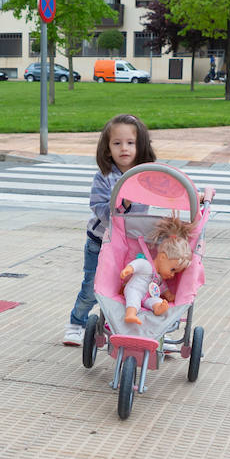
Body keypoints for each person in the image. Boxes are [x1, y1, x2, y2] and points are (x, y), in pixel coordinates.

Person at [62, 114, 157, 346]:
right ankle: (77, 323)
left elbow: (169, 189)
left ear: (140, 145)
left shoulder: (146, 175)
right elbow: (100, 211)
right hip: (101, 241)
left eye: (130, 143)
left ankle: (116, 322)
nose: (124, 148)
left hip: (132, 243)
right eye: (117, 143)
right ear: (107, 149)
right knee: (93, 286)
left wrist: (195, 196)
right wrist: (122, 203)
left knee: (125, 286)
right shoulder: (104, 177)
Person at [120, 216, 193, 325]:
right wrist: (128, 269)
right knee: (134, 299)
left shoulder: (159, 279)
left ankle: (158, 308)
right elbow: (137, 264)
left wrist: (168, 295)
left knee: (157, 301)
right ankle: (130, 314)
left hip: (148, 297)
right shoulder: (147, 265)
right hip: (135, 289)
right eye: (172, 269)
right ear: (162, 257)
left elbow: (162, 288)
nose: (172, 275)